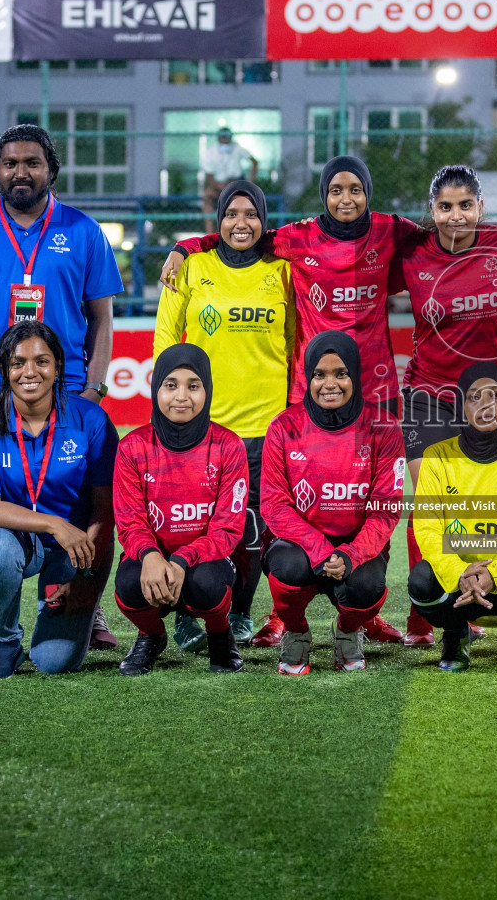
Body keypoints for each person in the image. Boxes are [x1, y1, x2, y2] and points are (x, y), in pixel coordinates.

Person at [162, 156, 419, 647]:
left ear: (368, 193)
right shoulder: (296, 238)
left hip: (377, 392)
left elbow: (439, 240)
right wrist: (186, 244)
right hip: (311, 394)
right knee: (297, 505)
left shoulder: (390, 230)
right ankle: (283, 613)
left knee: (369, 502)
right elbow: (241, 235)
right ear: (323, 195)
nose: (346, 199)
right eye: (336, 190)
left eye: (355, 190)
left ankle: (363, 612)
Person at [0, 124, 124, 656]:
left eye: (32, 163)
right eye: (11, 163)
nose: (21, 171)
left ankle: (80, 601)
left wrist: (94, 386)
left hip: (65, 389)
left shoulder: (84, 231)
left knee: (81, 500)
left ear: (50, 170)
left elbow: (101, 316)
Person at [395, 164, 497, 646]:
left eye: (465, 205)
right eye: (445, 207)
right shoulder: (411, 253)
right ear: (431, 212)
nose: (456, 216)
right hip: (428, 396)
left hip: (495, 396)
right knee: (433, 505)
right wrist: (191, 247)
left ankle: (482, 592)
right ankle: (423, 614)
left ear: (482, 207)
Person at [154, 179, 292, 649]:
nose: (241, 223)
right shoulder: (192, 267)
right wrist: (173, 407)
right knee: (189, 523)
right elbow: (166, 340)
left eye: (251, 214)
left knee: (250, 531)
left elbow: (296, 345)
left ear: (264, 221)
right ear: (218, 221)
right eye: (231, 214)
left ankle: (239, 615)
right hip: (204, 429)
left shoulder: (283, 272)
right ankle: (185, 614)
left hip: (266, 428)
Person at [0, 321, 119, 680]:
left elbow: (104, 510)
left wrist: (87, 580)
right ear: (4, 370)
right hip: (15, 539)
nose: (29, 372)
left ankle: (70, 614)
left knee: (53, 662)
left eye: (41, 361)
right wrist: (53, 523)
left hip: (75, 549)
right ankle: (5, 644)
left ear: (58, 366)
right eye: (17, 363)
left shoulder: (90, 419)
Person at [259, 332, 405, 675]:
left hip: (355, 547)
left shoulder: (383, 427)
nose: (330, 384)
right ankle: (295, 630)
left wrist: (352, 554)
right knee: (287, 568)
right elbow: (274, 504)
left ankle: (348, 631)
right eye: (319, 374)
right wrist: (319, 548)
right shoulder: (283, 426)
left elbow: (385, 508)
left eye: (340, 373)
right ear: (308, 377)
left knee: (367, 586)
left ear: (354, 374)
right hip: (299, 545)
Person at [113, 345, 249, 675]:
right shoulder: (132, 447)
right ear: (156, 387)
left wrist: (181, 559)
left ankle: (220, 634)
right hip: (154, 558)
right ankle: (152, 635)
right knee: (129, 585)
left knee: (206, 584)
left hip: (205, 561)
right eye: (171, 385)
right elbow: (130, 521)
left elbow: (227, 529)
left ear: (208, 390)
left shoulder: (228, 446)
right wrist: (149, 555)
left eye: (193, 385)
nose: (181, 396)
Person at [409, 361, 497, 672]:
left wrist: (493, 574)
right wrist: (460, 572)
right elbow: (428, 528)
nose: (486, 405)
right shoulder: (437, 456)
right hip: (460, 579)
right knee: (421, 582)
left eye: (495, 395)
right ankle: (455, 634)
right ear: (462, 406)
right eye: (474, 397)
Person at [200, 126, 258, 231]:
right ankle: (209, 234)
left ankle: (239, 230)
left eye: (227, 138)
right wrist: (219, 186)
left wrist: (251, 181)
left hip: (235, 185)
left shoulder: (237, 148)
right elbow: (209, 175)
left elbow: (254, 161)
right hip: (218, 186)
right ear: (218, 138)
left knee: (240, 201)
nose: (225, 141)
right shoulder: (211, 152)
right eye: (223, 138)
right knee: (207, 197)